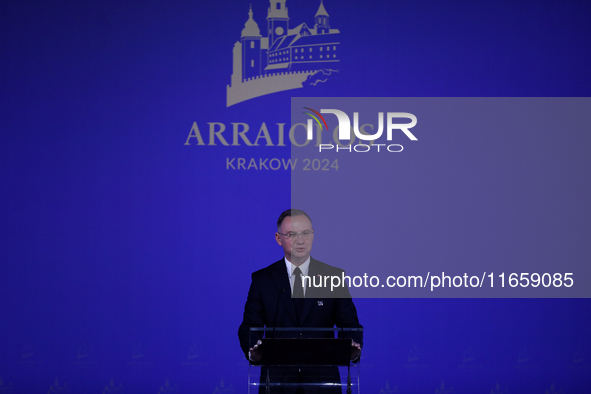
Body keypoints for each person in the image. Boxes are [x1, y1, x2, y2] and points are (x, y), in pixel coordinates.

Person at [238, 209, 363, 393]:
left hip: (322, 383)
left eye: (305, 233)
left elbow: (351, 325)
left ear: (313, 235)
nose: (300, 240)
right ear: (278, 238)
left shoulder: (332, 277)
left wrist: (352, 349)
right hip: (277, 384)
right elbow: (249, 327)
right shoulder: (263, 280)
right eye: (292, 234)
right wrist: (254, 352)